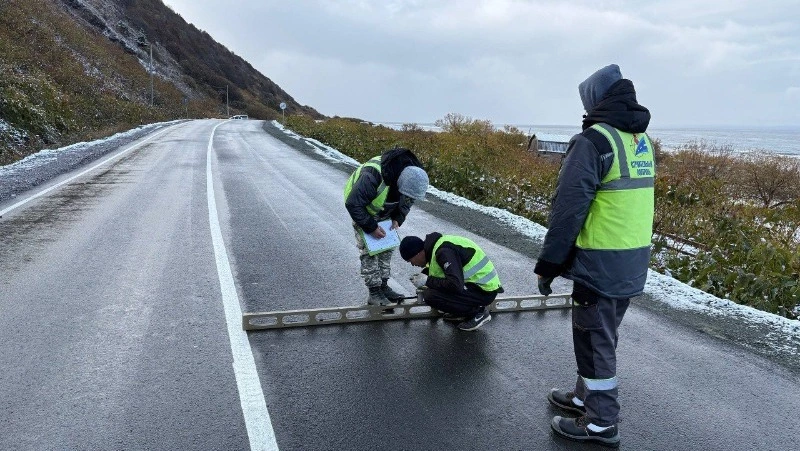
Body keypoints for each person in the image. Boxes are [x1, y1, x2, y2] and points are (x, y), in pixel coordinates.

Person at [534, 64, 654, 447]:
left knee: (593, 341)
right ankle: (584, 397)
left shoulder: (594, 141)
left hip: (599, 265)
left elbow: (568, 210)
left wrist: (549, 264)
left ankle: (602, 422)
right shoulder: (639, 141)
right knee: (603, 334)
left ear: (595, 100)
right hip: (631, 263)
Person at [344, 147, 429, 306]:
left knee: (386, 249)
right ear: (399, 181)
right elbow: (353, 203)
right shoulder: (372, 175)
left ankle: (383, 286)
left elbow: (408, 201)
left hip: (386, 212)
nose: (407, 197)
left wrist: (399, 217)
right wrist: (370, 227)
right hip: (364, 212)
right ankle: (374, 293)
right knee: (370, 252)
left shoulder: (412, 176)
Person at [399, 233, 503, 331]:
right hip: (475, 287)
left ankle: (478, 313)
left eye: (410, 260)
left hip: (484, 291)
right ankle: (462, 312)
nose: (412, 264)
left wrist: (427, 281)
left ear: (418, 253)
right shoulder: (435, 249)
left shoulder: (443, 252)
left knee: (431, 296)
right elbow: (440, 272)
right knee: (432, 290)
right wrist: (426, 277)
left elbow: (455, 285)